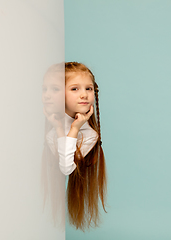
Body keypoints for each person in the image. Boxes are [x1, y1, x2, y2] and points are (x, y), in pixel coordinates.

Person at [43, 62, 107, 231]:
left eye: (89, 89)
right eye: (74, 89)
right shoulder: (49, 124)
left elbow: (66, 168)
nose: (84, 95)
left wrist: (72, 128)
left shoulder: (90, 135)